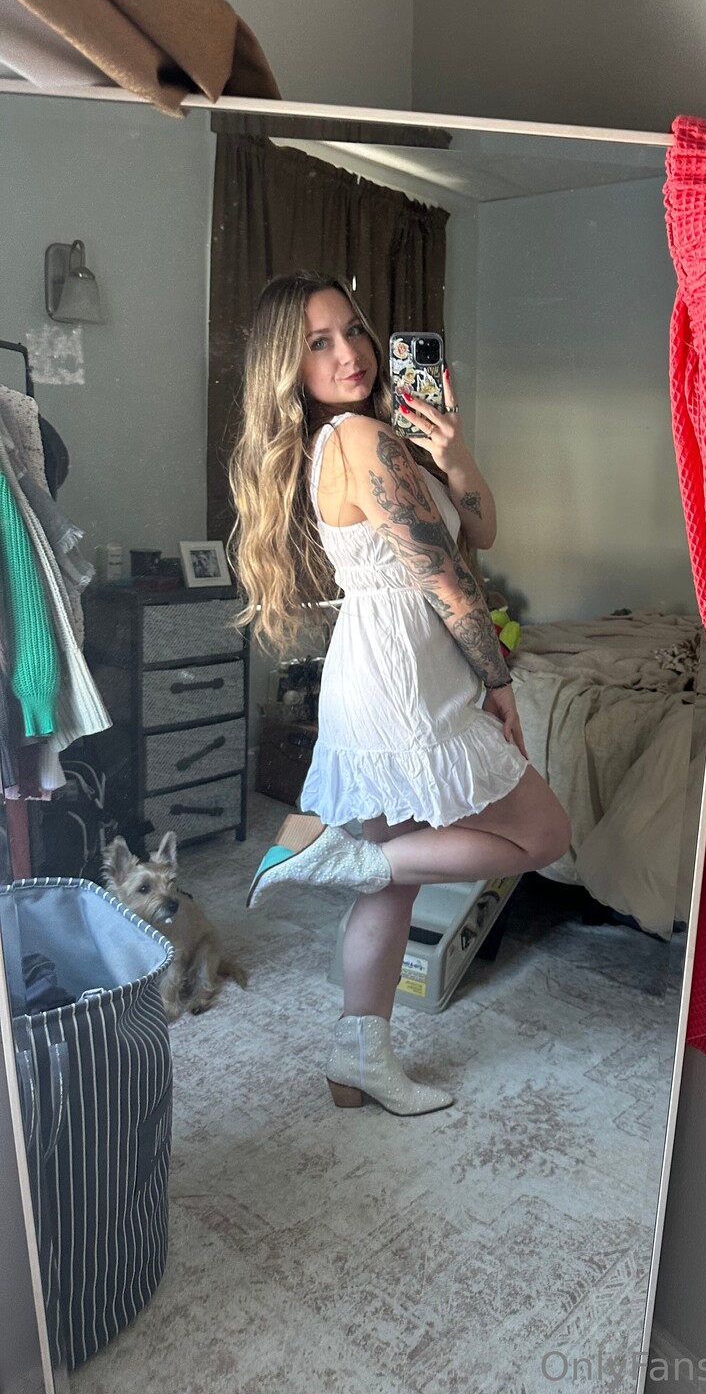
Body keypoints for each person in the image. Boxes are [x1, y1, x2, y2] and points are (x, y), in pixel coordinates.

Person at [229, 272, 571, 1116]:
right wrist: (500, 682)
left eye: (354, 330)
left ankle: (359, 1058)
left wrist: (454, 453)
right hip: (407, 681)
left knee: (391, 886)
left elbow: (481, 529)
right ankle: (343, 857)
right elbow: (449, 583)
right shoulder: (361, 439)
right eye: (319, 342)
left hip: (382, 669)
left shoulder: (361, 440)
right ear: (288, 365)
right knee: (542, 832)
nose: (349, 352)